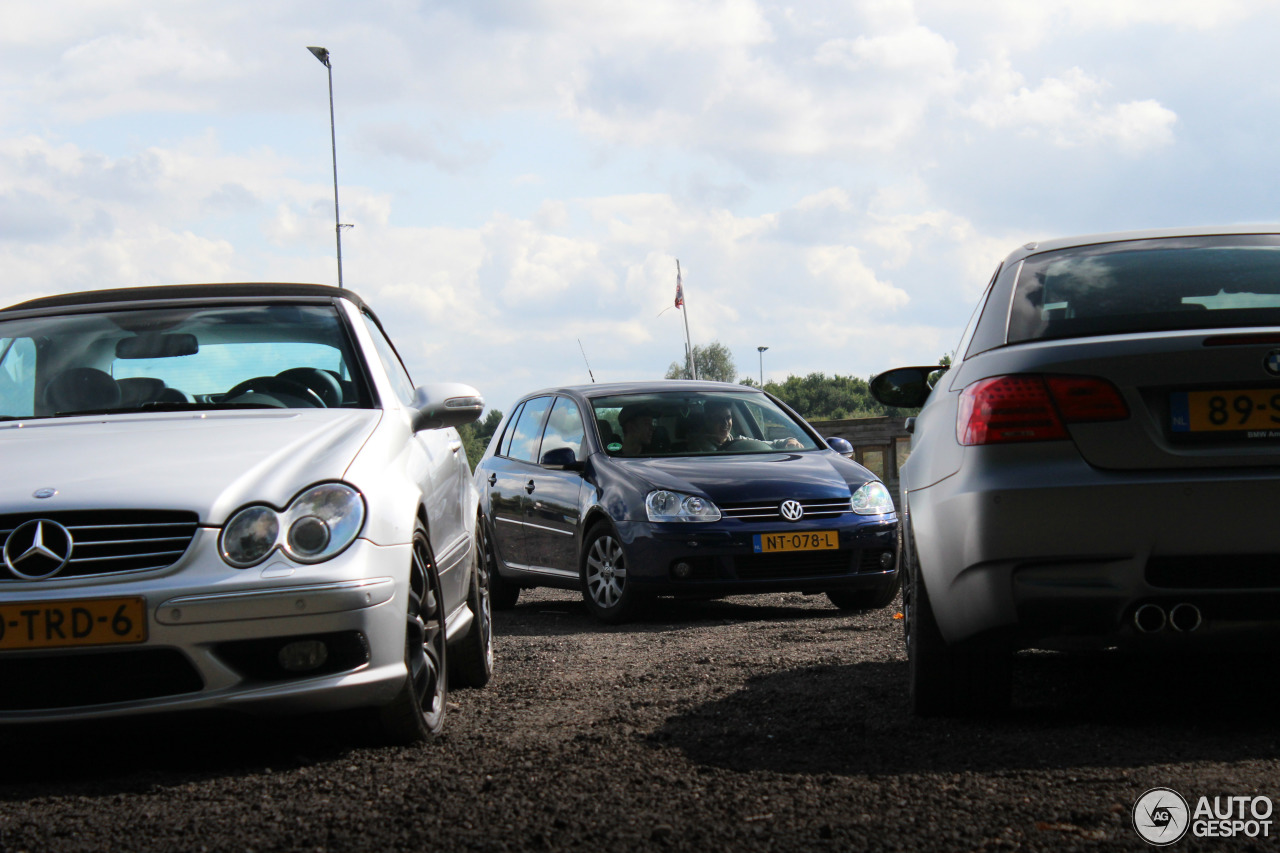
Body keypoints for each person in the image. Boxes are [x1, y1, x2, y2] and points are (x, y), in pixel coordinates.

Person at [688, 400, 803, 452]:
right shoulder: (695, 450)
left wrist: (789, 441)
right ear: (708, 421)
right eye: (718, 419)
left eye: (728, 418)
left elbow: (767, 445)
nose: (725, 423)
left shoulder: (739, 442)